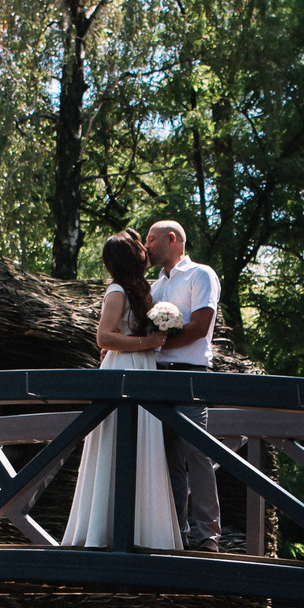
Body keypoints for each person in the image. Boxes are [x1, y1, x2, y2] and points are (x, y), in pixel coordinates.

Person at [62, 229, 183, 550]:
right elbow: (104, 338)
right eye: (139, 248)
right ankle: (104, 530)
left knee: (145, 444)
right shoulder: (116, 291)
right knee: (116, 442)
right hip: (124, 368)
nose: (146, 250)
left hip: (142, 366)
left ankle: (143, 532)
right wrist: (149, 342)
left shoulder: (142, 289)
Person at [144, 218, 222, 551]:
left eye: (150, 238)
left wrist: (156, 344)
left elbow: (200, 326)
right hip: (157, 377)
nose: (145, 245)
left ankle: (208, 537)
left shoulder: (200, 275)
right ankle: (178, 535)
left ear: (172, 239)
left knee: (197, 453)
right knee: (168, 459)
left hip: (190, 375)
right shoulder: (152, 287)